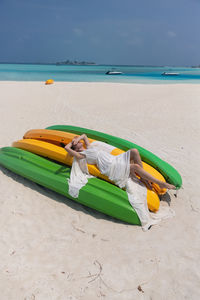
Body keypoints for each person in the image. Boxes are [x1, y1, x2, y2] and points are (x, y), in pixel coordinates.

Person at [64, 134, 176, 191]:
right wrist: (72, 143)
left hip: (113, 159)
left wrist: (78, 139)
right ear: (75, 146)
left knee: (134, 151)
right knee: (136, 167)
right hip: (109, 166)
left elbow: (84, 135)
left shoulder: (88, 147)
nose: (79, 141)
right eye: (77, 142)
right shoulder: (80, 155)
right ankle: (159, 183)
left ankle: (144, 178)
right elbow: (66, 148)